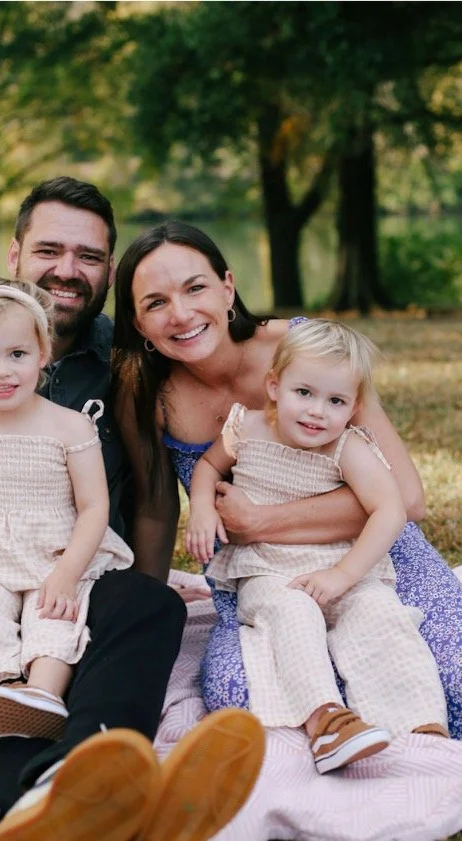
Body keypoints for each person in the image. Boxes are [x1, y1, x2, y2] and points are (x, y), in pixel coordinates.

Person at [0, 179, 265, 841]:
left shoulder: (122, 356)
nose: (67, 270)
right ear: (14, 254)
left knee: (152, 606)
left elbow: (149, 493)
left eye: (89, 256)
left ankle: (83, 776)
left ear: (109, 271)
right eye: (49, 249)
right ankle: (42, 792)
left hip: (71, 572)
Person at [111, 219, 462, 738]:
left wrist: (261, 521)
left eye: (195, 287)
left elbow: (407, 499)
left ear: (228, 286)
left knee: (449, 674)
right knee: (237, 695)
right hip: (262, 579)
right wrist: (141, 605)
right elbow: (156, 508)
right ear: (139, 324)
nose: (181, 314)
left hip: (369, 556)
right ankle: (338, 729)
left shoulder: (309, 350)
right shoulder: (149, 393)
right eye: (156, 303)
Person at [185, 318, 448, 773]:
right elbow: (208, 468)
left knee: (381, 617)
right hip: (269, 570)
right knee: (293, 615)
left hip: (342, 566)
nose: (316, 412)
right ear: (274, 386)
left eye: (335, 401)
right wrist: (203, 510)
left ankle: (421, 728)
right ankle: (327, 720)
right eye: (303, 393)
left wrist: (345, 575)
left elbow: (391, 508)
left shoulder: (349, 448)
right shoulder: (245, 429)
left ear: (353, 408)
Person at [0, 278, 134, 791]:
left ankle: (40, 698)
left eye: (17, 354)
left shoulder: (71, 427)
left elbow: (93, 507)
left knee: (56, 616)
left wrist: (66, 573)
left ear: (43, 353)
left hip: (56, 554)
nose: (2, 371)